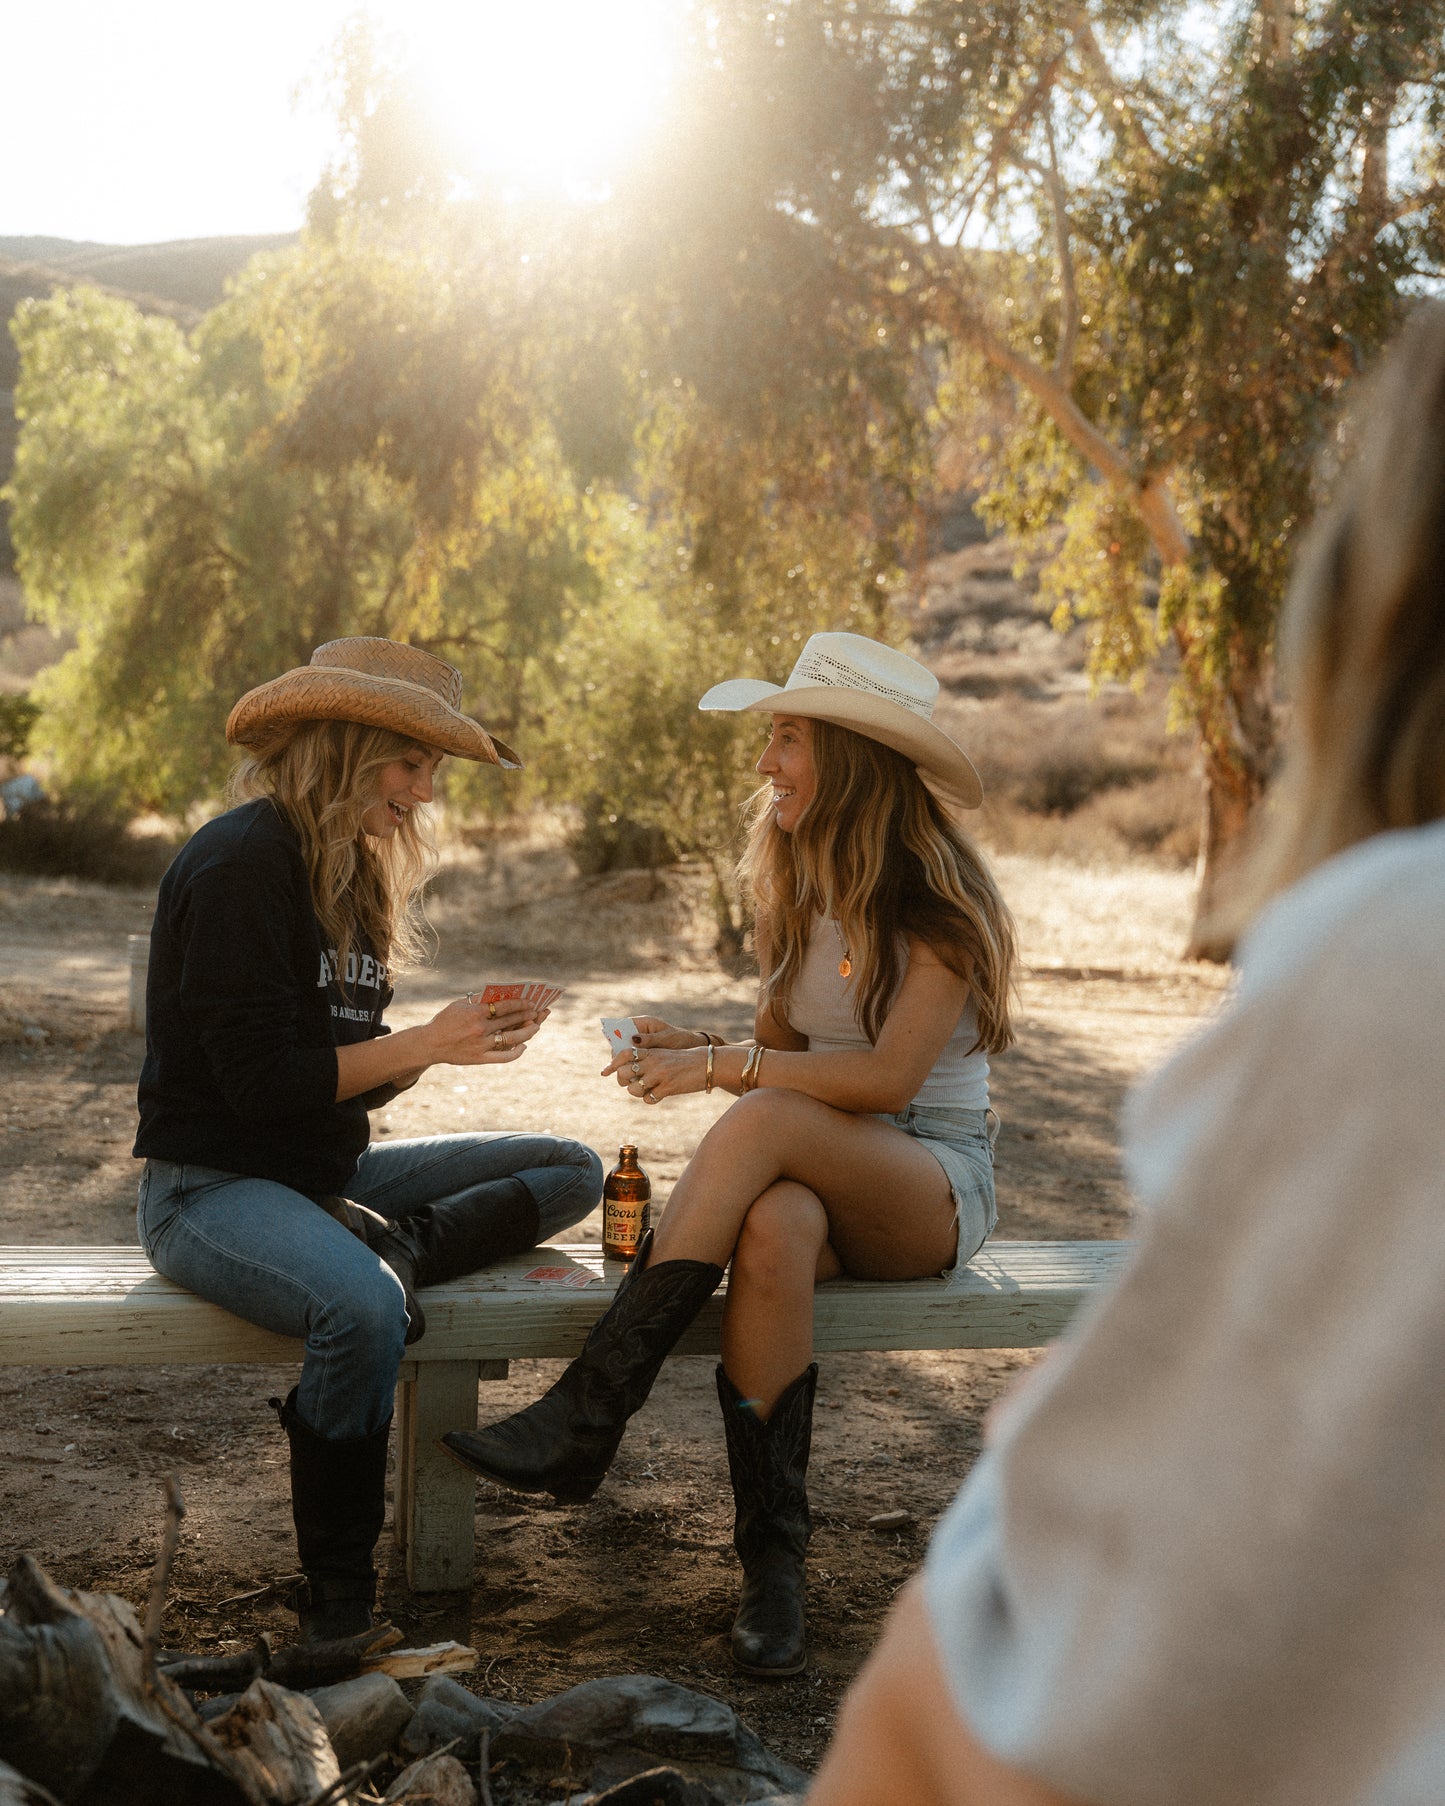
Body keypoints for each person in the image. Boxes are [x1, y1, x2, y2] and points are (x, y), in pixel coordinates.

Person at [806, 302, 1445, 1806]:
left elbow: (1124, 1668)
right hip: (841, 1186)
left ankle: (634, 1432)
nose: (771, 764)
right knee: (760, 1199)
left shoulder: (1390, 948)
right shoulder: (812, 904)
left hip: (937, 1187)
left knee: (939, 1667)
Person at [443, 632, 1017, 1677]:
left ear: (847, 756)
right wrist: (700, 1046)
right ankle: (772, 1567)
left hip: (928, 1182)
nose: (763, 765)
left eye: (787, 739)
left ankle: (591, 1406)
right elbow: (786, 1060)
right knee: (773, 1223)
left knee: (756, 1123)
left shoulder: (938, 909)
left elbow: (882, 1083)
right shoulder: (791, 887)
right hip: (817, 1177)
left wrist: (721, 1066)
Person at [134, 637, 603, 1643]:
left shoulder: (349, 878)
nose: (425, 793)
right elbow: (261, 1093)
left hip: (317, 1176)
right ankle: (338, 1602)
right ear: (343, 748)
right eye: (410, 766)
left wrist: (445, 1046)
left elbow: (330, 1074)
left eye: (432, 771)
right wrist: (419, 1042)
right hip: (209, 1191)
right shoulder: (237, 864)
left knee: (570, 1168)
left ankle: (399, 1242)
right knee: (361, 1310)